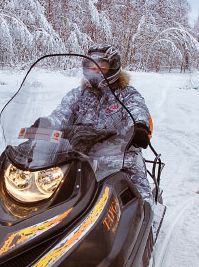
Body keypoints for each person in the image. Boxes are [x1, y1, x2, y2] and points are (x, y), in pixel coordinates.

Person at [47, 44, 154, 202]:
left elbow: (138, 109)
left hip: (120, 156)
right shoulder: (78, 94)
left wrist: (139, 127)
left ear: (113, 68)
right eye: (91, 67)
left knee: (139, 198)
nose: (95, 71)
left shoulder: (126, 94)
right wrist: (47, 124)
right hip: (79, 155)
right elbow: (61, 113)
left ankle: (146, 217)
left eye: (101, 67)